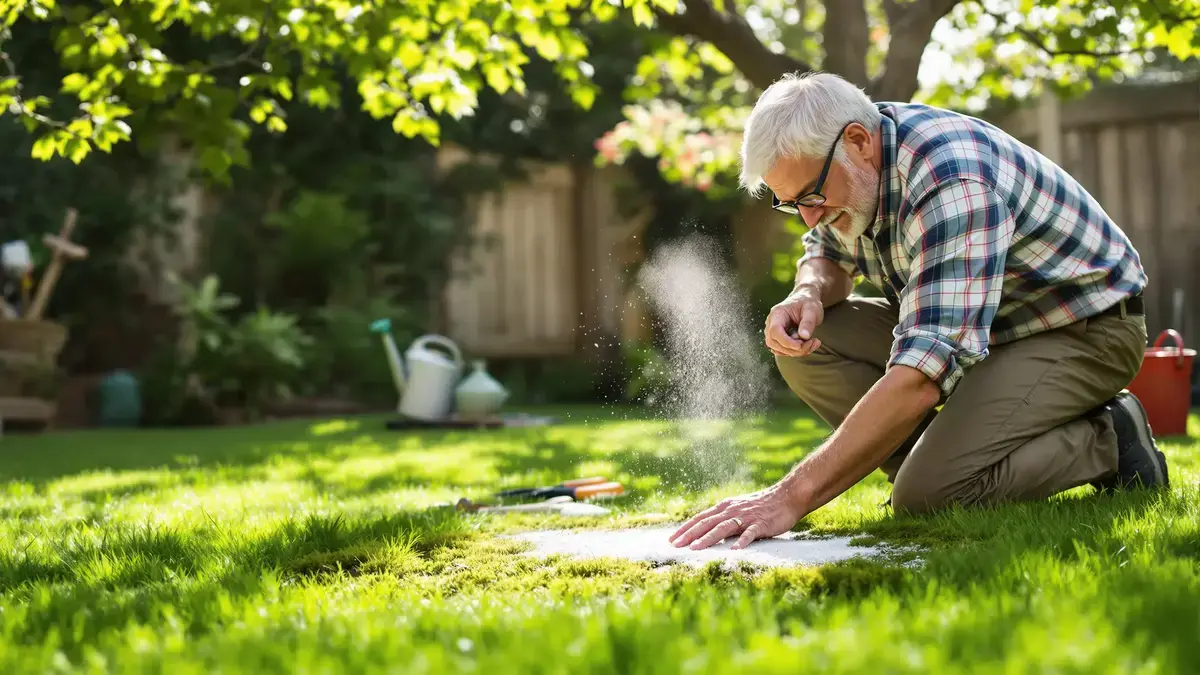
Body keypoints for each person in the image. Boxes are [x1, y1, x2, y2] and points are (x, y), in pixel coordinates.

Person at [669, 71, 1170, 552]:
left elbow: (922, 374)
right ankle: (936, 465)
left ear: (859, 141)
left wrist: (788, 497)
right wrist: (807, 293)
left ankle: (1109, 437)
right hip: (989, 330)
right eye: (790, 204)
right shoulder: (852, 164)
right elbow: (827, 255)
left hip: (1079, 329)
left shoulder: (952, 180)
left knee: (929, 497)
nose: (808, 217)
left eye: (812, 197)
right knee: (807, 346)